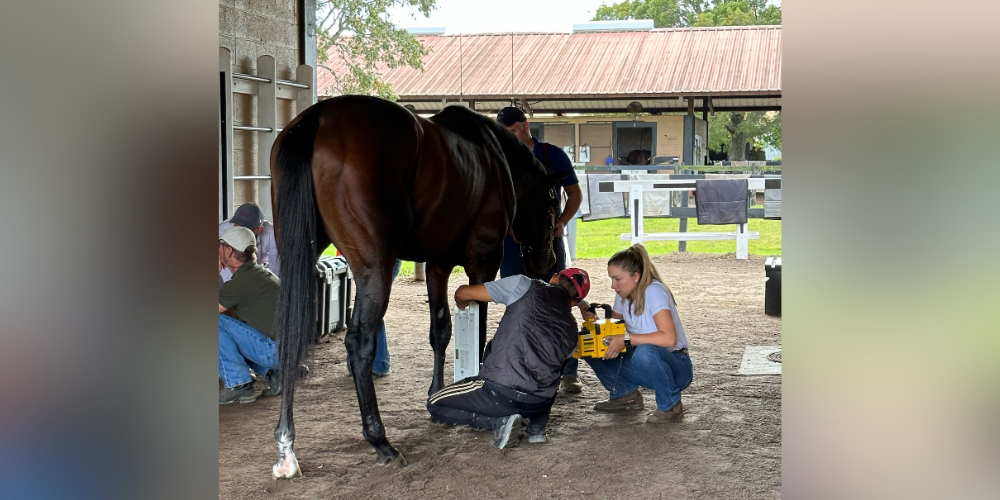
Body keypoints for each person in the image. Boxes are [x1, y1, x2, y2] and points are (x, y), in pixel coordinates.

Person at [426, 268, 591, 449]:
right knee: (549, 372)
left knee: (435, 403)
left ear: (554, 277)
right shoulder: (572, 330)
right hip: (537, 403)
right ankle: (536, 430)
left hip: (499, 393)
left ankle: (498, 422)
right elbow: (557, 371)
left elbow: (463, 292)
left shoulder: (523, 285)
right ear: (575, 302)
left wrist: (461, 304)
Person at [496, 106, 586, 394]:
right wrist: (509, 227)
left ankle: (569, 371)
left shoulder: (552, 155)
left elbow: (574, 193)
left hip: (547, 244)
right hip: (512, 247)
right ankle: (522, 368)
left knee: (558, 302)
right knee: (516, 304)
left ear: (525, 125)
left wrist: (561, 222)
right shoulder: (501, 158)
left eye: (511, 132)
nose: (507, 138)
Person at [582, 244, 693, 423]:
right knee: (589, 344)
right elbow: (613, 331)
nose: (613, 285)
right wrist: (594, 323)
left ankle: (670, 405)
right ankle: (626, 395)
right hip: (644, 364)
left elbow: (669, 339)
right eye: (612, 279)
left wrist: (626, 338)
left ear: (636, 276)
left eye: (617, 279)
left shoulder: (654, 291)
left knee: (645, 351)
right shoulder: (622, 294)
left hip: (676, 367)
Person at [218, 226, 282, 404]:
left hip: (273, 352)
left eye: (220, 244)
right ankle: (274, 374)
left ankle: (238, 384)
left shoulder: (241, 283)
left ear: (229, 251)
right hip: (286, 350)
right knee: (230, 327)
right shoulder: (259, 274)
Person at [219, 202, 280, 282]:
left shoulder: (272, 234)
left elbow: (275, 270)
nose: (241, 231)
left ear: (259, 229)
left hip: (258, 271)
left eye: (246, 229)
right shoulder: (221, 231)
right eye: (238, 225)